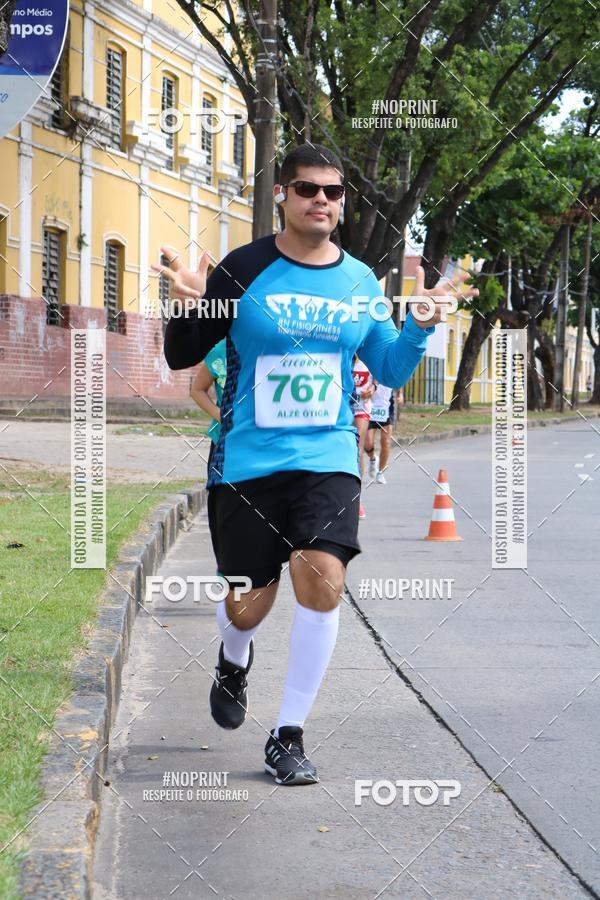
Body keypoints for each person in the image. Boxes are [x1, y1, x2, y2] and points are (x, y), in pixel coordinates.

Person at [154, 143, 478, 786]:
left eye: (332, 191)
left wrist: (418, 325)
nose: (321, 200)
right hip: (246, 459)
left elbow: (386, 369)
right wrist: (190, 303)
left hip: (328, 455)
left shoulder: (360, 280)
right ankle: (233, 655)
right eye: (307, 189)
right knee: (249, 604)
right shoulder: (243, 269)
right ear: (283, 194)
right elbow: (181, 355)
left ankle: (289, 733)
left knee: (323, 579)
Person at [190, 338, 227, 477]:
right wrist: (219, 415)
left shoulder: (266, 349)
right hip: (223, 443)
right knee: (222, 496)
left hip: (258, 443)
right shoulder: (219, 353)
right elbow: (197, 390)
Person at [351, 356, 374, 518]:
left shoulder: (369, 356)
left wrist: (373, 387)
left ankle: (357, 499)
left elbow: (379, 375)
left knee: (357, 450)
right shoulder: (344, 355)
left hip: (361, 408)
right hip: (343, 406)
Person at [365, 382, 394, 484]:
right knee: (368, 444)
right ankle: (373, 459)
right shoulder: (369, 366)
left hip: (386, 407)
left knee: (386, 441)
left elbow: (399, 378)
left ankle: (380, 472)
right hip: (370, 407)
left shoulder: (390, 367)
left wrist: (400, 395)